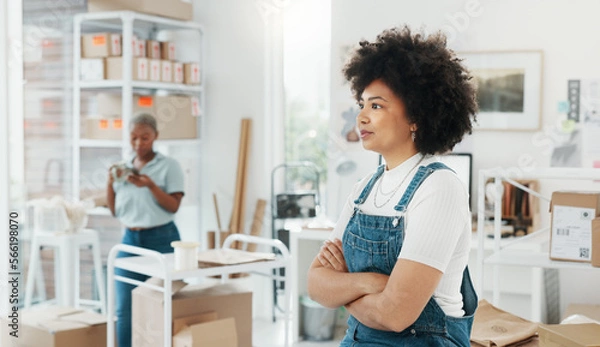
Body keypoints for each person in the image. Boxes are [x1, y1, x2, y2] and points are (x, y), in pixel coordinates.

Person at [307, 26, 479, 346]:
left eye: (376, 106)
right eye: (362, 104)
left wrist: (343, 289)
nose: (361, 118)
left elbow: (396, 314)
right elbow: (316, 285)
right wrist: (374, 282)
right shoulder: (364, 190)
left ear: (415, 117)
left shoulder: (439, 187)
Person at [106, 113, 185, 347]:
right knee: (125, 308)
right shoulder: (124, 168)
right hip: (130, 240)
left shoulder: (169, 166)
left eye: (145, 138)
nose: (138, 144)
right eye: (133, 138)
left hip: (162, 239)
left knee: (165, 304)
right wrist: (109, 182)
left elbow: (173, 205)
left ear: (155, 137)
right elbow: (115, 211)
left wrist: (150, 185)